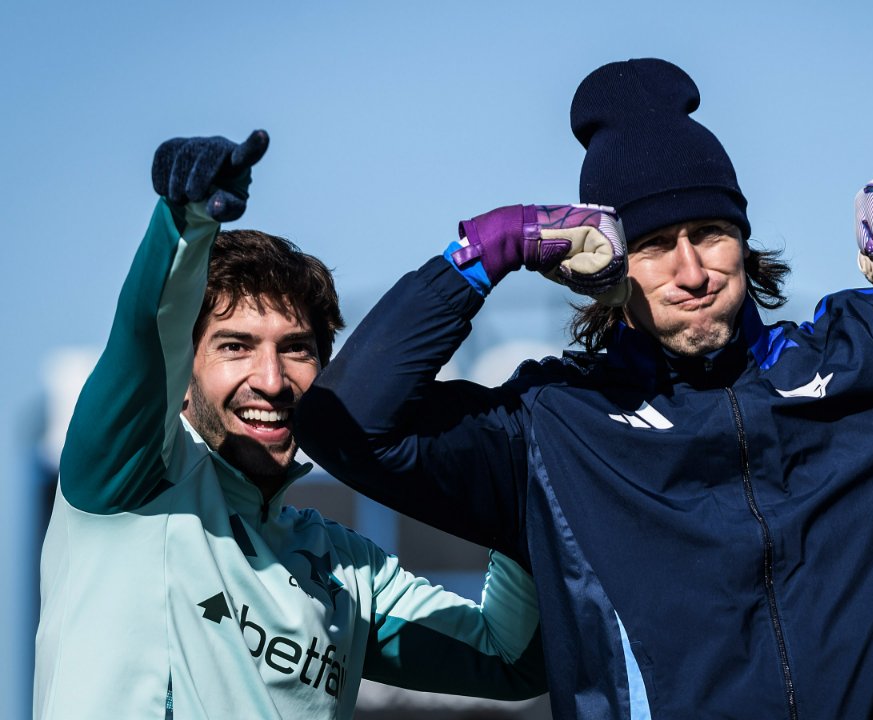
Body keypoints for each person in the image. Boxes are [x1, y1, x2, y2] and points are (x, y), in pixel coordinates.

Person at [294, 58, 873, 719]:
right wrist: (479, 256)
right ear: (602, 264)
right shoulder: (554, 429)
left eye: (711, 232)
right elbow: (344, 427)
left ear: (744, 240)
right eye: (654, 245)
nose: (691, 269)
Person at [34, 131, 545, 720]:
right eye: (236, 346)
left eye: (297, 349)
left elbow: (510, 657)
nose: (272, 380)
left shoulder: (347, 572)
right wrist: (187, 219)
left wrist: (523, 481)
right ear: (185, 371)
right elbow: (145, 335)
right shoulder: (127, 484)